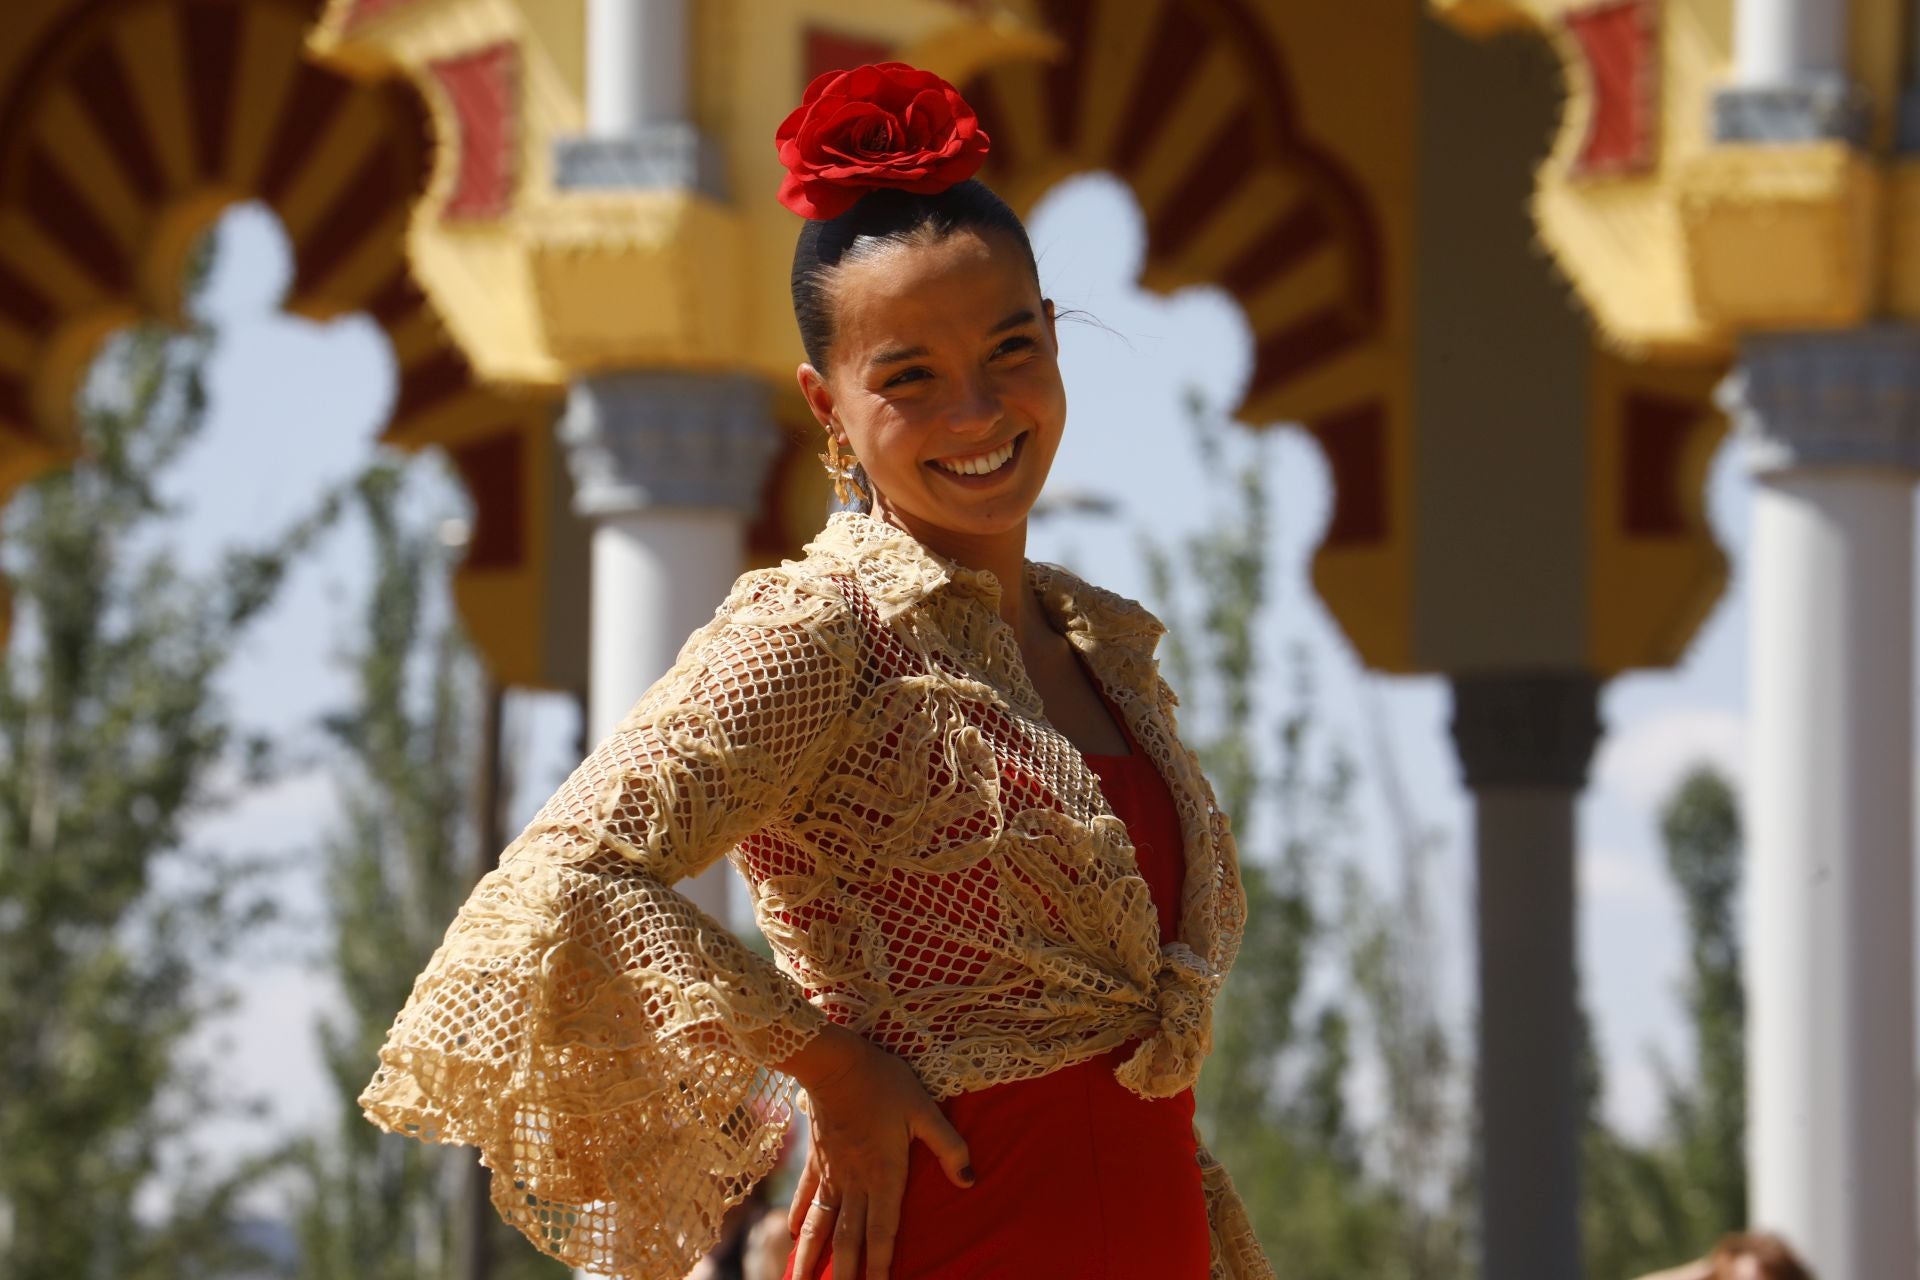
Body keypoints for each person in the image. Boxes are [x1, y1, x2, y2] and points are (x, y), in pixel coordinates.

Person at [355, 60, 1270, 1280]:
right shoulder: (824, 630)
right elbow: (562, 878)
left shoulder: (1100, 643)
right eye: (909, 377)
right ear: (827, 405)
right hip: (947, 1242)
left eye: (1010, 348)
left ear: (1054, 340)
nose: (976, 411)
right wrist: (827, 1067)